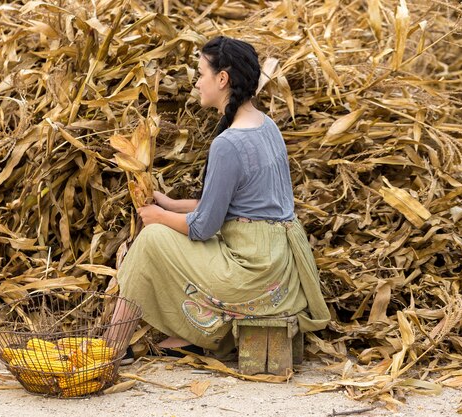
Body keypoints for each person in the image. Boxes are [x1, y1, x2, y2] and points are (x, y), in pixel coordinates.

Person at [112, 36, 330, 361]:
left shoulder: (228, 143)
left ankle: (113, 345)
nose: (198, 83)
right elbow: (237, 209)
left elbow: (204, 226)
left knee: (152, 239)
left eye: (201, 74)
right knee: (165, 230)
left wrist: (157, 218)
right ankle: (186, 337)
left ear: (222, 78)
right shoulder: (266, 126)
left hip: (251, 274)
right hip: (277, 269)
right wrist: (169, 205)